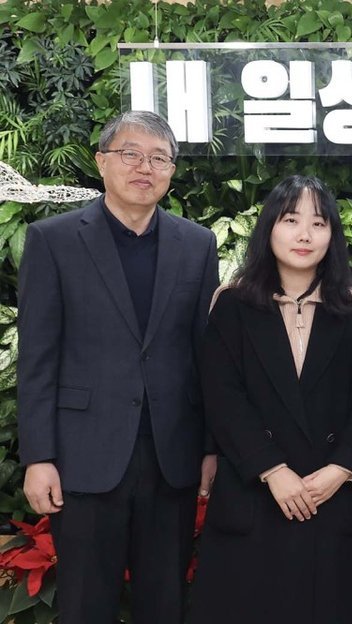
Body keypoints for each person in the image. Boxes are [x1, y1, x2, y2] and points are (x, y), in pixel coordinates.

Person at [16, 110, 218, 623]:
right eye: (130, 154)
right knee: (85, 604)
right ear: (101, 161)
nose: (144, 168)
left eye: (158, 158)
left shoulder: (197, 245)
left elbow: (206, 355)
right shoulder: (54, 240)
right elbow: (37, 357)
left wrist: (210, 447)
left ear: (172, 171)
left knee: (165, 602)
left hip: (171, 455)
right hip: (83, 456)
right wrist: (39, 456)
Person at [189, 175, 352, 623]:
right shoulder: (233, 304)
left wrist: (340, 469)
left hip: (329, 496)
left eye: (318, 223)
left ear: (332, 235)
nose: (304, 235)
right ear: (269, 228)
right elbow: (221, 395)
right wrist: (272, 469)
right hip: (254, 494)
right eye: (291, 220)